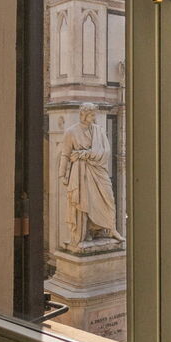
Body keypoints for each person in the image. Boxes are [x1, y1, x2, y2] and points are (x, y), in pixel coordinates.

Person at [59, 103, 124, 246]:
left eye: (94, 115)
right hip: (80, 171)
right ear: (83, 115)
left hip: (98, 169)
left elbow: (105, 152)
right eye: (92, 115)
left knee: (109, 198)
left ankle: (110, 228)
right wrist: (62, 175)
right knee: (84, 201)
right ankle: (87, 231)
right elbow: (65, 154)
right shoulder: (71, 132)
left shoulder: (99, 131)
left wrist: (86, 154)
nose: (94, 118)